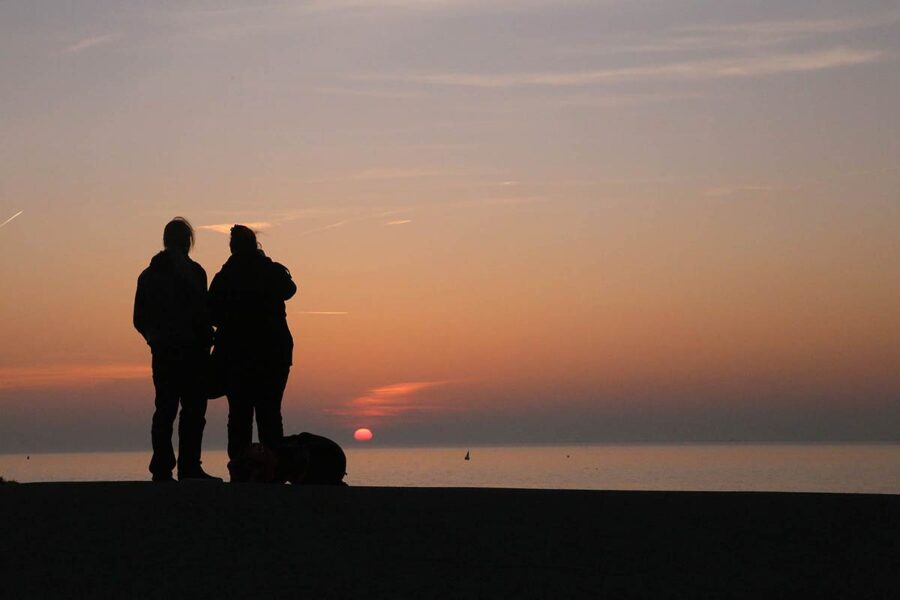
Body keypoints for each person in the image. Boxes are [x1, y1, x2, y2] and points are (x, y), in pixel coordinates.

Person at [133, 217, 221, 482]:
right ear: (188, 242)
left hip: (164, 352)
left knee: (165, 409)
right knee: (192, 411)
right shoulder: (196, 272)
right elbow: (202, 314)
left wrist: (154, 339)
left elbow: (139, 319)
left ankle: (162, 467)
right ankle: (188, 466)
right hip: (192, 353)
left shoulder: (148, 276)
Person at [208, 225, 297, 470]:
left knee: (239, 415)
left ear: (233, 247)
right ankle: (273, 469)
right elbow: (290, 289)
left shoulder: (226, 276)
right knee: (269, 414)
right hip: (273, 355)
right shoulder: (270, 270)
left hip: (238, 357)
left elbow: (211, 313)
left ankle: (240, 468)